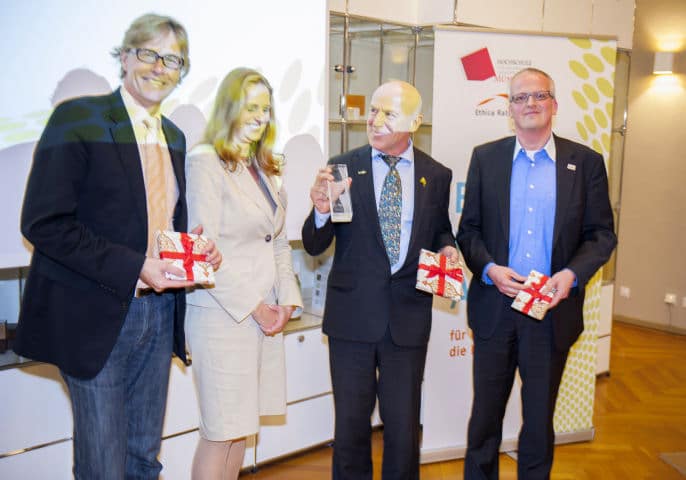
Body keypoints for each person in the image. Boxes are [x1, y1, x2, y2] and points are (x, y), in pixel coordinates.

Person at [14, 13, 222, 479]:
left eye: (173, 60)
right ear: (125, 57)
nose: (159, 67)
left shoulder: (173, 136)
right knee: (104, 467)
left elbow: (153, 224)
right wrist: (135, 267)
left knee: (143, 460)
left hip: (160, 313)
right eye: (149, 53)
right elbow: (43, 222)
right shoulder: (79, 118)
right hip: (95, 316)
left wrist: (196, 251)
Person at [457, 67, 617, 479]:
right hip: (495, 308)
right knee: (484, 416)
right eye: (520, 97)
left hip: (551, 312)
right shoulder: (486, 158)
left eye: (539, 95)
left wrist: (571, 275)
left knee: (539, 420)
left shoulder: (585, 163)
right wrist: (489, 269)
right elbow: (468, 231)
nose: (530, 103)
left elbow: (601, 235)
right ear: (509, 109)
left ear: (554, 104)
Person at [302, 80, 458, 479]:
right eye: (373, 110)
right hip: (352, 319)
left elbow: (439, 229)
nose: (375, 120)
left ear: (415, 122)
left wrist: (447, 248)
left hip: (407, 320)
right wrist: (320, 210)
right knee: (351, 427)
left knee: (403, 429)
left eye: (389, 113)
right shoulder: (343, 168)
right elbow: (316, 244)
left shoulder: (436, 175)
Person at [184, 68, 303, 480]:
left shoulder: (264, 166)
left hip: (262, 317)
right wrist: (257, 308)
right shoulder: (205, 160)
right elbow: (204, 249)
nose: (260, 116)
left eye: (266, 109)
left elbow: (278, 241)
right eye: (251, 107)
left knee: (240, 432)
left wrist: (287, 301)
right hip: (223, 316)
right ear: (229, 107)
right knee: (220, 433)